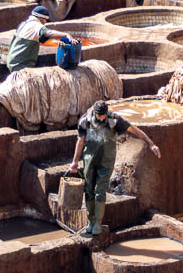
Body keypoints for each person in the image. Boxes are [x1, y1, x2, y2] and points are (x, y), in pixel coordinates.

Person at [68, 100, 161, 237]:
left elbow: (134, 129)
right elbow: (80, 140)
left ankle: (98, 224)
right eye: (99, 116)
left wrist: (151, 144)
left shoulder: (114, 120)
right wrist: (75, 161)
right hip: (89, 159)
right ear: (94, 112)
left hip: (106, 161)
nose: (101, 118)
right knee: (88, 190)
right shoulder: (85, 121)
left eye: (103, 115)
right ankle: (90, 222)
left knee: (99, 191)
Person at [5, 6, 74, 73]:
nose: (45, 22)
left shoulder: (24, 23)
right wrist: (65, 35)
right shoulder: (36, 26)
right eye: (45, 20)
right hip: (20, 65)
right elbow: (49, 33)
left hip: (12, 61)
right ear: (40, 18)